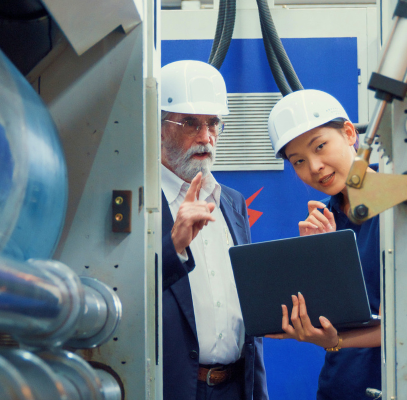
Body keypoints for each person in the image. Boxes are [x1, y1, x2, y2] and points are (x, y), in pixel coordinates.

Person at [158, 60, 268, 400]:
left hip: (236, 386)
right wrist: (173, 247)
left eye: (213, 124)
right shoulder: (139, 201)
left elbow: (247, 311)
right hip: (175, 389)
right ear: (158, 126)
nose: (206, 137)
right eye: (191, 123)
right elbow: (121, 293)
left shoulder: (231, 202)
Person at [263, 89, 381, 400]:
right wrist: (320, 259)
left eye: (320, 146)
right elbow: (336, 317)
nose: (314, 167)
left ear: (349, 133)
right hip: (339, 387)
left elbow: (406, 320)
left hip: (396, 382)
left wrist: (336, 340)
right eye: (298, 161)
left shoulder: (400, 208)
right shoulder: (324, 223)